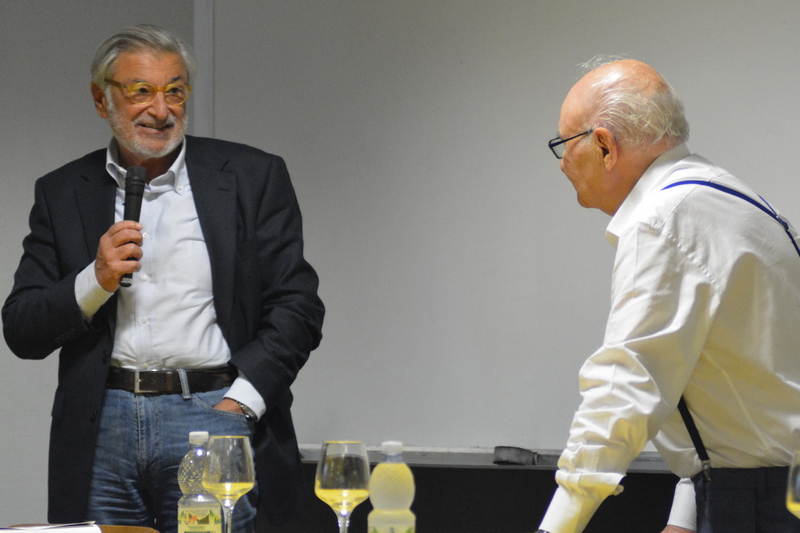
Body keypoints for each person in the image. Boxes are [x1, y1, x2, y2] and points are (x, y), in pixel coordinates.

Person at [2, 24, 324, 533]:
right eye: (141, 91)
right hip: (102, 423)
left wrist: (240, 404)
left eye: (175, 91)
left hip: (212, 412)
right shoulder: (63, 191)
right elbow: (22, 328)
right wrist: (95, 279)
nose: (161, 109)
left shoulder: (251, 176)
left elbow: (298, 306)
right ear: (101, 100)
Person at [534, 58, 800, 533]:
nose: (561, 163)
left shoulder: (661, 220)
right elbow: (729, 379)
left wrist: (554, 528)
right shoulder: (735, 199)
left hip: (758, 506)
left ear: (604, 146)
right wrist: (687, 509)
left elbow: (624, 387)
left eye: (564, 144)